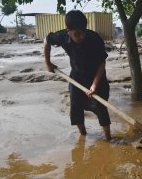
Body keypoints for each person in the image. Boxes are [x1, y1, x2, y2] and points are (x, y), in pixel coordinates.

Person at [43, 10, 111, 140]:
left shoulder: (94, 38)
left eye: (83, 31)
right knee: (75, 108)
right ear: (67, 30)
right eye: (77, 33)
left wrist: (94, 85)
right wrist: (48, 63)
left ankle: (109, 138)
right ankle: (83, 136)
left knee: (100, 108)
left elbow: (102, 63)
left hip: (97, 77)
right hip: (76, 77)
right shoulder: (62, 36)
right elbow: (46, 40)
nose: (82, 36)